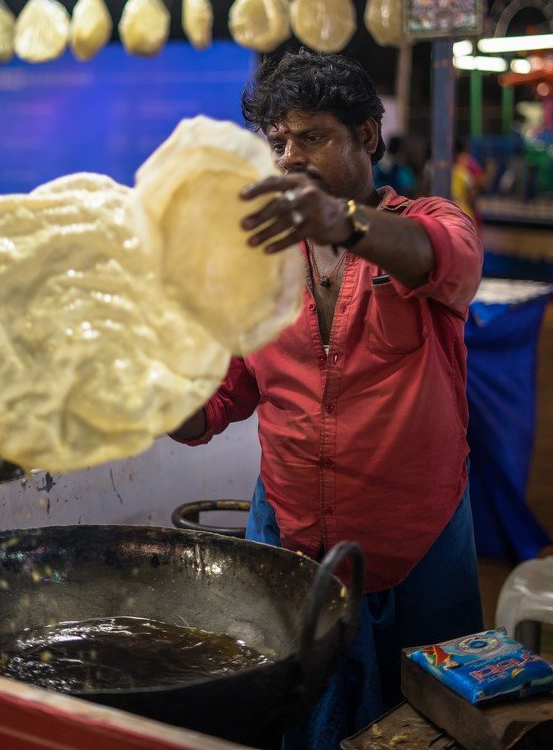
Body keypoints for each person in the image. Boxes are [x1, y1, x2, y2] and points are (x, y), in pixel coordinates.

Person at [172, 49, 484, 746]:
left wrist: (341, 220)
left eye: (311, 137)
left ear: (367, 136)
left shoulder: (429, 223)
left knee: (427, 725)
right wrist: (147, 394)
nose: (288, 157)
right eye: (279, 141)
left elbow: (447, 259)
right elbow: (219, 399)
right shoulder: (258, 264)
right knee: (290, 722)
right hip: (289, 549)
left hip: (417, 549)